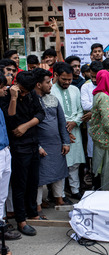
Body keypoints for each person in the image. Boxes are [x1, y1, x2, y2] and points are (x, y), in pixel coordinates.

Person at [1, 71, 45, 236]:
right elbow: (10, 118)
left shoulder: (31, 93)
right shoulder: (7, 94)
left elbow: (41, 113)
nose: (25, 93)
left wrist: (26, 125)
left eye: (28, 91)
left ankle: (33, 213)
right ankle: (21, 220)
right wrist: (13, 98)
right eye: (24, 90)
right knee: (20, 185)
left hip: (33, 142)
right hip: (18, 146)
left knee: (33, 181)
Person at [33, 68, 70, 209]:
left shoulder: (53, 99)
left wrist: (65, 141)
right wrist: (38, 146)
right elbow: (31, 129)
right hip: (40, 145)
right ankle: (38, 206)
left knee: (59, 172)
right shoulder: (30, 101)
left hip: (56, 144)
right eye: (48, 82)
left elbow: (62, 122)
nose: (51, 85)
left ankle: (59, 199)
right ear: (38, 84)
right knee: (40, 177)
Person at [51, 63, 86, 200]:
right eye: (64, 79)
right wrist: (65, 126)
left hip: (75, 129)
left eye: (69, 79)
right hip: (58, 131)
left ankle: (75, 190)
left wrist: (74, 123)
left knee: (75, 163)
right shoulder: (51, 90)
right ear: (56, 76)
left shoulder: (75, 90)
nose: (67, 82)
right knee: (62, 163)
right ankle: (61, 194)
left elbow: (80, 110)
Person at [0, 72, 21, 241]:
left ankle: (1, 226)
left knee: (2, 195)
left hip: (5, 150)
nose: (5, 90)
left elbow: (10, 117)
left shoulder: (2, 103)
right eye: (2, 87)